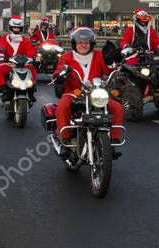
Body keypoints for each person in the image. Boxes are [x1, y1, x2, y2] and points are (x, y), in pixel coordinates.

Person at [51, 27, 124, 157]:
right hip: (74, 92)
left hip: (96, 93)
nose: (83, 45)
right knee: (62, 107)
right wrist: (59, 76)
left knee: (117, 107)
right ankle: (65, 141)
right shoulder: (66, 57)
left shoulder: (98, 55)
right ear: (74, 44)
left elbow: (109, 71)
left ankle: (113, 141)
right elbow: (58, 71)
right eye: (80, 43)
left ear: (91, 44)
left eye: (86, 43)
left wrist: (112, 62)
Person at [0, 16, 36, 103]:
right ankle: (4, 91)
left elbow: (30, 51)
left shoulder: (24, 40)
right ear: (10, 27)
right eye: (14, 27)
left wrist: (35, 58)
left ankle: (31, 91)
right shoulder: (4, 39)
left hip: (23, 64)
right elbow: (1, 48)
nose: (16, 29)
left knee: (32, 69)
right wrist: (1, 57)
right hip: (9, 63)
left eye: (18, 28)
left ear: (21, 28)